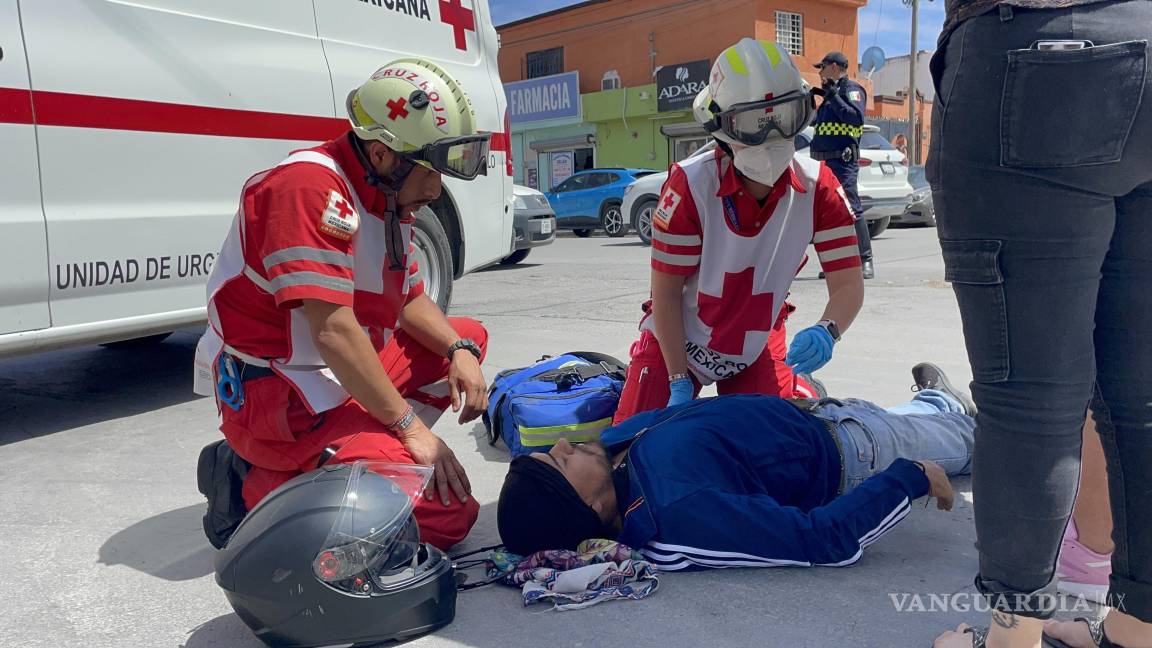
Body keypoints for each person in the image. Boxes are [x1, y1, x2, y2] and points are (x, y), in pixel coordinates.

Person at [193, 58, 493, 550]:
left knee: (468, 338)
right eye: (429, 172)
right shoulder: (307, 188)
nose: (436, 189)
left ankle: (360, 454)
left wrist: (459, 349)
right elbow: (332, 331)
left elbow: (410, 301)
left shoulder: (387, 197)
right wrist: (411, 429)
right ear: (381, 154)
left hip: (333, 379)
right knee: (446, 518)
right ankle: (254, 482)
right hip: (282, 399)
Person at [926, 2, 1152, 646]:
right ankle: (1136, 631)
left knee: (1030, 399)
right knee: (1142, 398)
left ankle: (1012, 638)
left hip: (1037, 49)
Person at [498, 362, 976, 566]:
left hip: (821, 415)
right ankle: (951, 412)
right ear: (590, 508)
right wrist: (908, 479)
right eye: (559, 461)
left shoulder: (612, 454)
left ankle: (936, 402)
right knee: (983, 438)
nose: (565, 443)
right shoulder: (678, 513)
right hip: (856, 451)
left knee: (916, 416)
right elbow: (819, 540)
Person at [612, 38, 865, 424]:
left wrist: (828, 330)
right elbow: (665, 296)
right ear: (721, 127)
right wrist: (678, 380)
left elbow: (848, 284)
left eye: (785, 116)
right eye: (753, 123)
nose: (772, 135)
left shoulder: (819, 188)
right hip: (678, 340)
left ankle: (799, 388)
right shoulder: (690, 187)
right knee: (634, 442)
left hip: (756, 340)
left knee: (772, 443)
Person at [810, 51, 874, 280]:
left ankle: (865, 260)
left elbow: (855, 118)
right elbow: (816, 124)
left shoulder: (851, 90)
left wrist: (834, 96)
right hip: (824, 162)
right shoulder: (831, 94)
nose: (820, 72)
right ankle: (837, 263)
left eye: (823, 67)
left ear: (835, 67)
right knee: (829, 214)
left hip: (842, 161)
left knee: (851, 208)